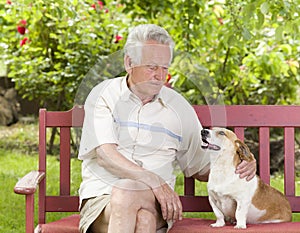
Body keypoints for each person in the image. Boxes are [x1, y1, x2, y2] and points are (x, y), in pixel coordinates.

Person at [78, 24, 256, 233]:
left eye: (165, 68)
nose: (160, 76)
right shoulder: (104, 94)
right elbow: (105, 155)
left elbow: (200, 166)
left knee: (135, 204)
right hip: (101, 200)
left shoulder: (179, 108)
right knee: (139, 214)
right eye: (152, 67)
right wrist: (154, 181)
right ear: (129, 62)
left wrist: (241, 163)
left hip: (156, 203)